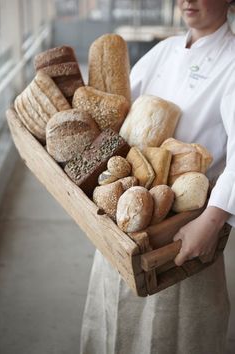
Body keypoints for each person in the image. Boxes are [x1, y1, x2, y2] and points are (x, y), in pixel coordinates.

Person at [80, 1, 235, 353]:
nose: (186, 1)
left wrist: (211, 222)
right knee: (112, 317)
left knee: (176, 329)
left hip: (182, 224)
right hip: (124, 210)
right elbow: (117, 112)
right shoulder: (163, 52)